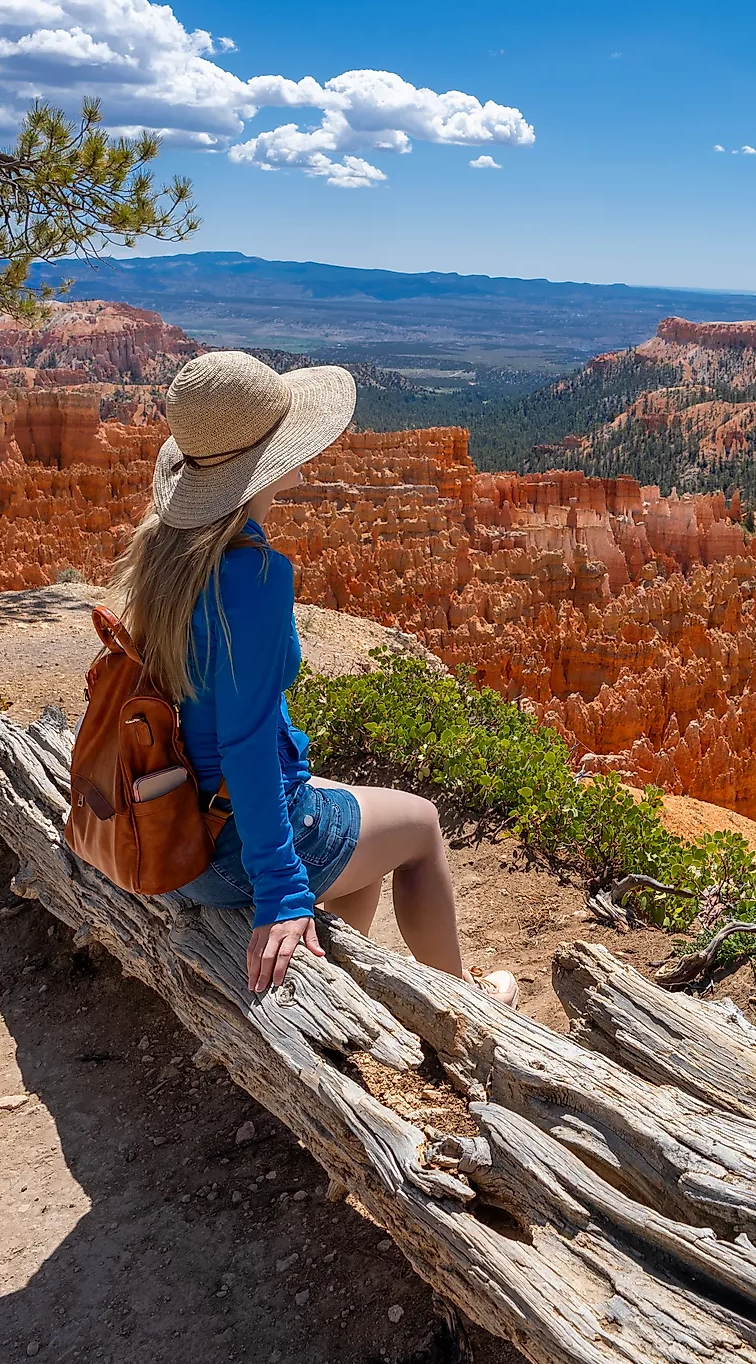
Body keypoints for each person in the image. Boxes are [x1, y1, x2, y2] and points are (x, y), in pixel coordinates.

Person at [109, 350, 512, 1003]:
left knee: (354, 820)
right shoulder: (253, 575)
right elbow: (244, 743)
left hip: (172, 823)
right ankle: (467, 1003)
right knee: (422, 825)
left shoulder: (168, 551)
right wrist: (281, 889)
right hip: (226, 850)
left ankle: (337, 984)